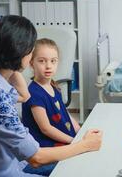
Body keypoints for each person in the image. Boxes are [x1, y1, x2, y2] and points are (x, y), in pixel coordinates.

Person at [0, 15, 102, 177]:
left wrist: (12, 64)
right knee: (82, 166)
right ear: (23, 54)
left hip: (8, 163)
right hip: (3, 171)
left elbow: (23, 95)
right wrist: (84, 145)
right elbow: (36, 158)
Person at [21, 38, 80, 175]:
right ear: (31, 63)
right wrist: (74, 142)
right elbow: (46, 129)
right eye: (42, 61)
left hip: (63, 141)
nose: (48, 66)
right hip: (46, 151)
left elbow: (64, 112)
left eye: (53, 61)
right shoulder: (34, 93)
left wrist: (79, 130)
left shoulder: (53, 85)